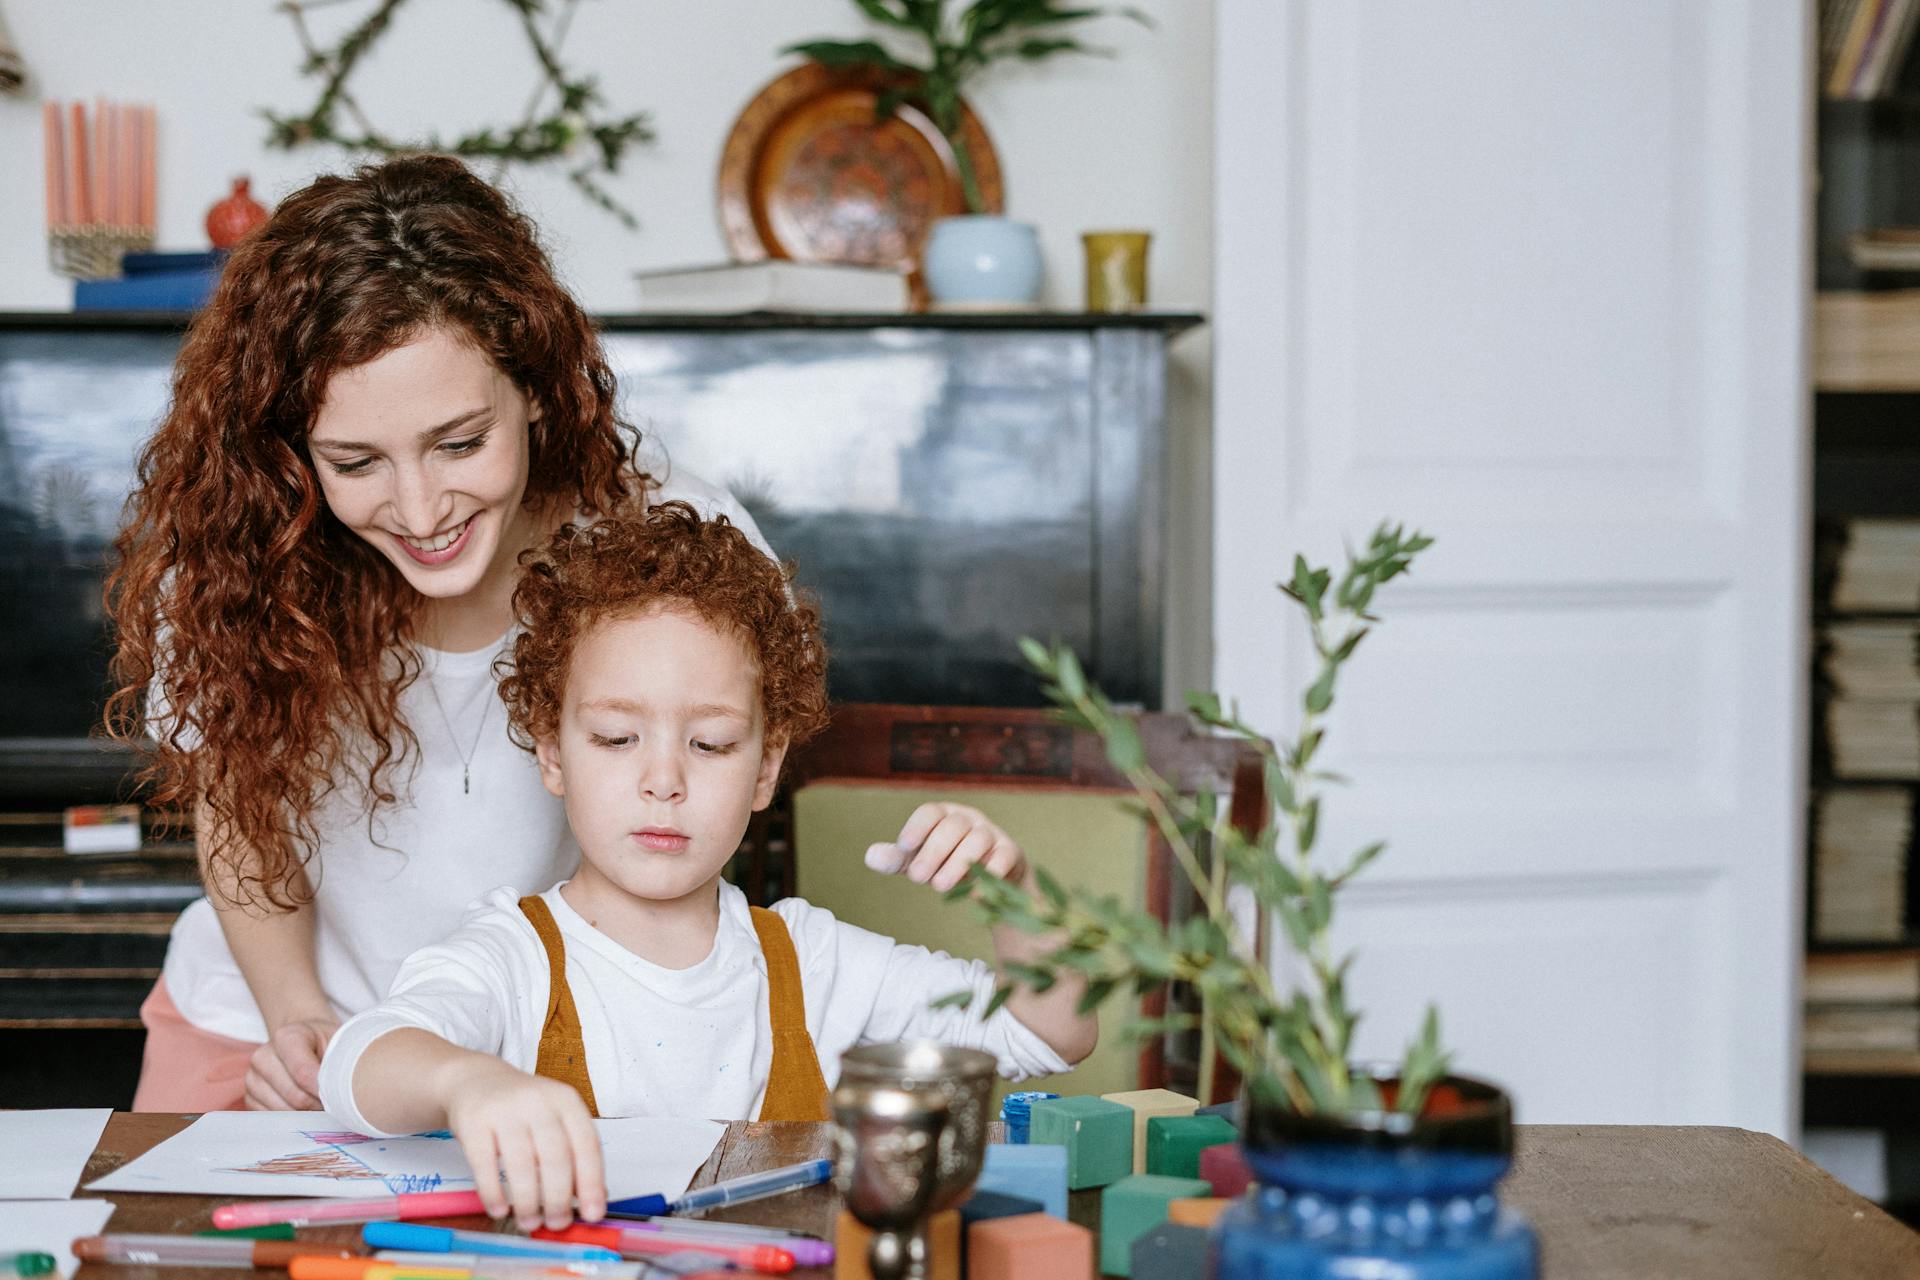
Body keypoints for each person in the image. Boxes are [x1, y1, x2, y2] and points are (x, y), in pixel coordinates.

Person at [106, 155, 769, 1112]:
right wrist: (299, 1026)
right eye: (355, 461)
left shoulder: (669, 548)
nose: (420, 510)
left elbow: (695, 818)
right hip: (257, 1029)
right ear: (293, 448)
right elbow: (239, 815)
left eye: (460, 443)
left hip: (542, 1038)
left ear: (536, 386)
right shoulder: (231, 561)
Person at [315, 503, 1098, 1229]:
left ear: (765, 769)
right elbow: (359, 1062)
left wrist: (1017, 899)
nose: (664, 780)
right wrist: (467, 1083)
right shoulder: (512, 958)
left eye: (712, 744)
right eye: (618, 738)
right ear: (553, 752)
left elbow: (1055, 1031)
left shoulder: (814, 964)